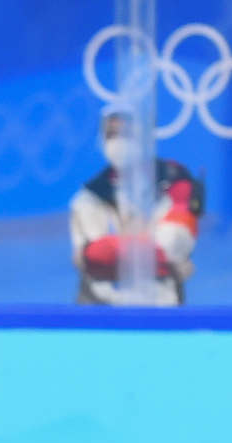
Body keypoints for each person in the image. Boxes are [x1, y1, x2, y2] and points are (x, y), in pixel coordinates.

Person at [70, 106, 204, 306]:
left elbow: (171, 245)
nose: (118, 142)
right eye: (111, 134)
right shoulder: (88, 197)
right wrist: (148, 251)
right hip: (99, 308)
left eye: (126, 133)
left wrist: (117, 250)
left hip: (161, 307)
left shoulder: (178, 185)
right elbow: (93, 257)